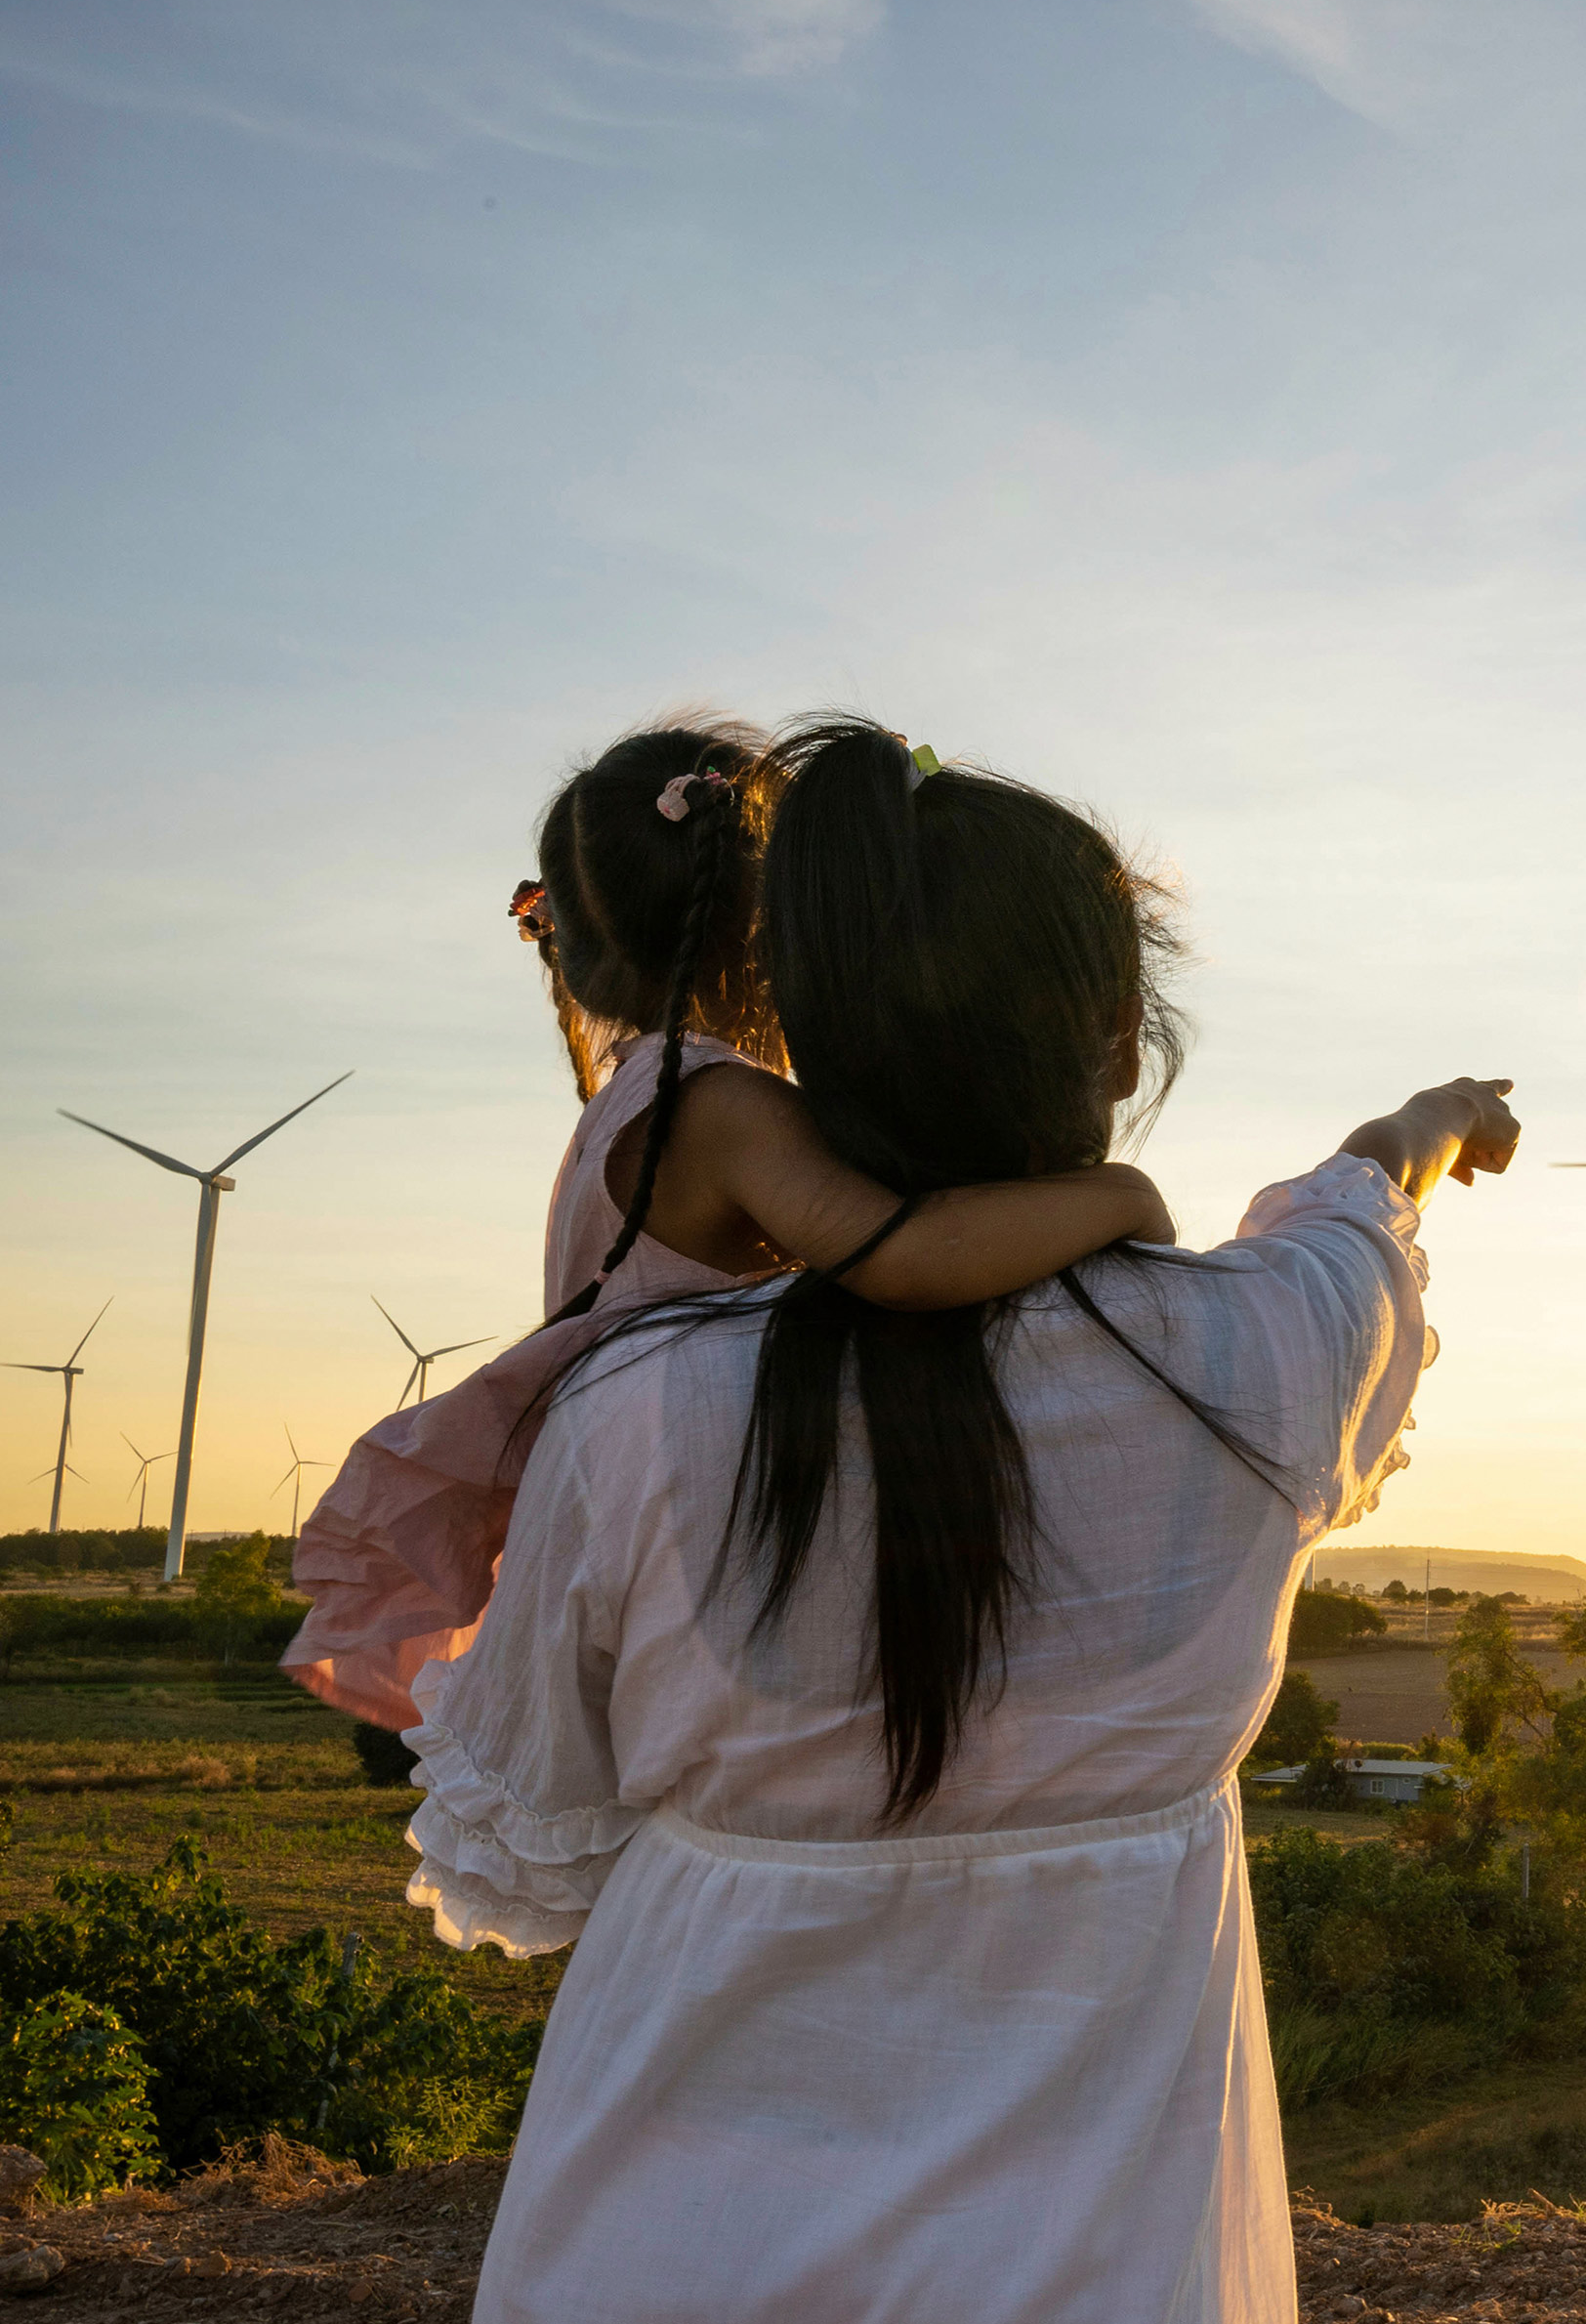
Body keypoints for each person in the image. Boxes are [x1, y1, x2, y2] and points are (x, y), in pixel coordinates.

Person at [402, 718, 1519, 2324]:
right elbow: (1356, 1203)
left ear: (805, 1039)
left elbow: (533, 1856)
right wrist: (1431, 1118)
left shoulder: (633, 1412)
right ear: (1126, 1034)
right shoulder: (1264, 1355)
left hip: (658, 2304)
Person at [289, 717, 1171, 1728]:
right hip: (690, 1512)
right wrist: (1118, 1199)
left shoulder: (632, 1102)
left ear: (572, 953)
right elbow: (900, 1255)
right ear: (778, 930)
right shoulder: (725, 1109)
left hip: (630, 1503)